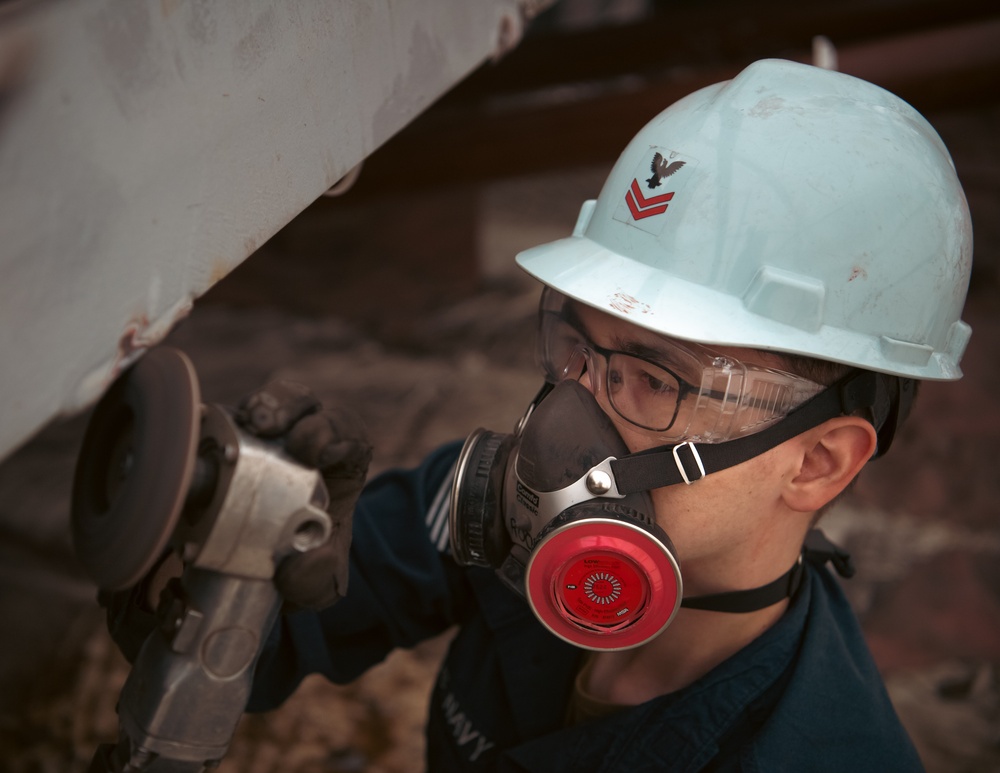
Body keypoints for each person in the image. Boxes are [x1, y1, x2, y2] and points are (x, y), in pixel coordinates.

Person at [109, 59, 974, 771]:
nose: (570, 421)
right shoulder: (500, 518)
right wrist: (233, 554)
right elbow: (245, 656)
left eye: (650, 378)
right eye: (577, 347)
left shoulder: (817, 751)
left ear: (817, 460)